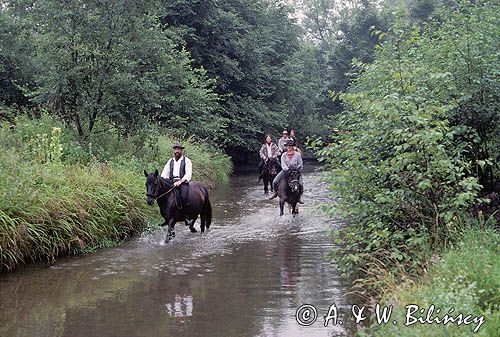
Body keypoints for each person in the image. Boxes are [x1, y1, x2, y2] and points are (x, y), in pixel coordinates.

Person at [161, 142, 193, 226]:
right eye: (175, 149)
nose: (177, 151)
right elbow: (164, 173)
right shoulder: (170, 161)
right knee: (163, 197)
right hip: (171, 183)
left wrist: (180, 181)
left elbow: (188, 174)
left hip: (183, 183)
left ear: (181, 150)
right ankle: (166, 217)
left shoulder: (186, 160)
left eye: (178, 149)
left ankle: (186, 217)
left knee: (184, 196)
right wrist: (165, 180)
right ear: (173, 151)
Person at [269, 139, 304, 203]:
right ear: (286, 147)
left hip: (295, 172)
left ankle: (299, 197)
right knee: (274, 181)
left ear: (293, 146)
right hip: (286, 171)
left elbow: (300, 164)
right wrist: (287, 169)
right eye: (288, 146)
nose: (289, 147)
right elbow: (283, 164)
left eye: (290, 146)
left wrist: (297, 170)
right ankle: (275, 193)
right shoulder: (284, 155)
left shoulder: (297, 154)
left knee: (301, 184)